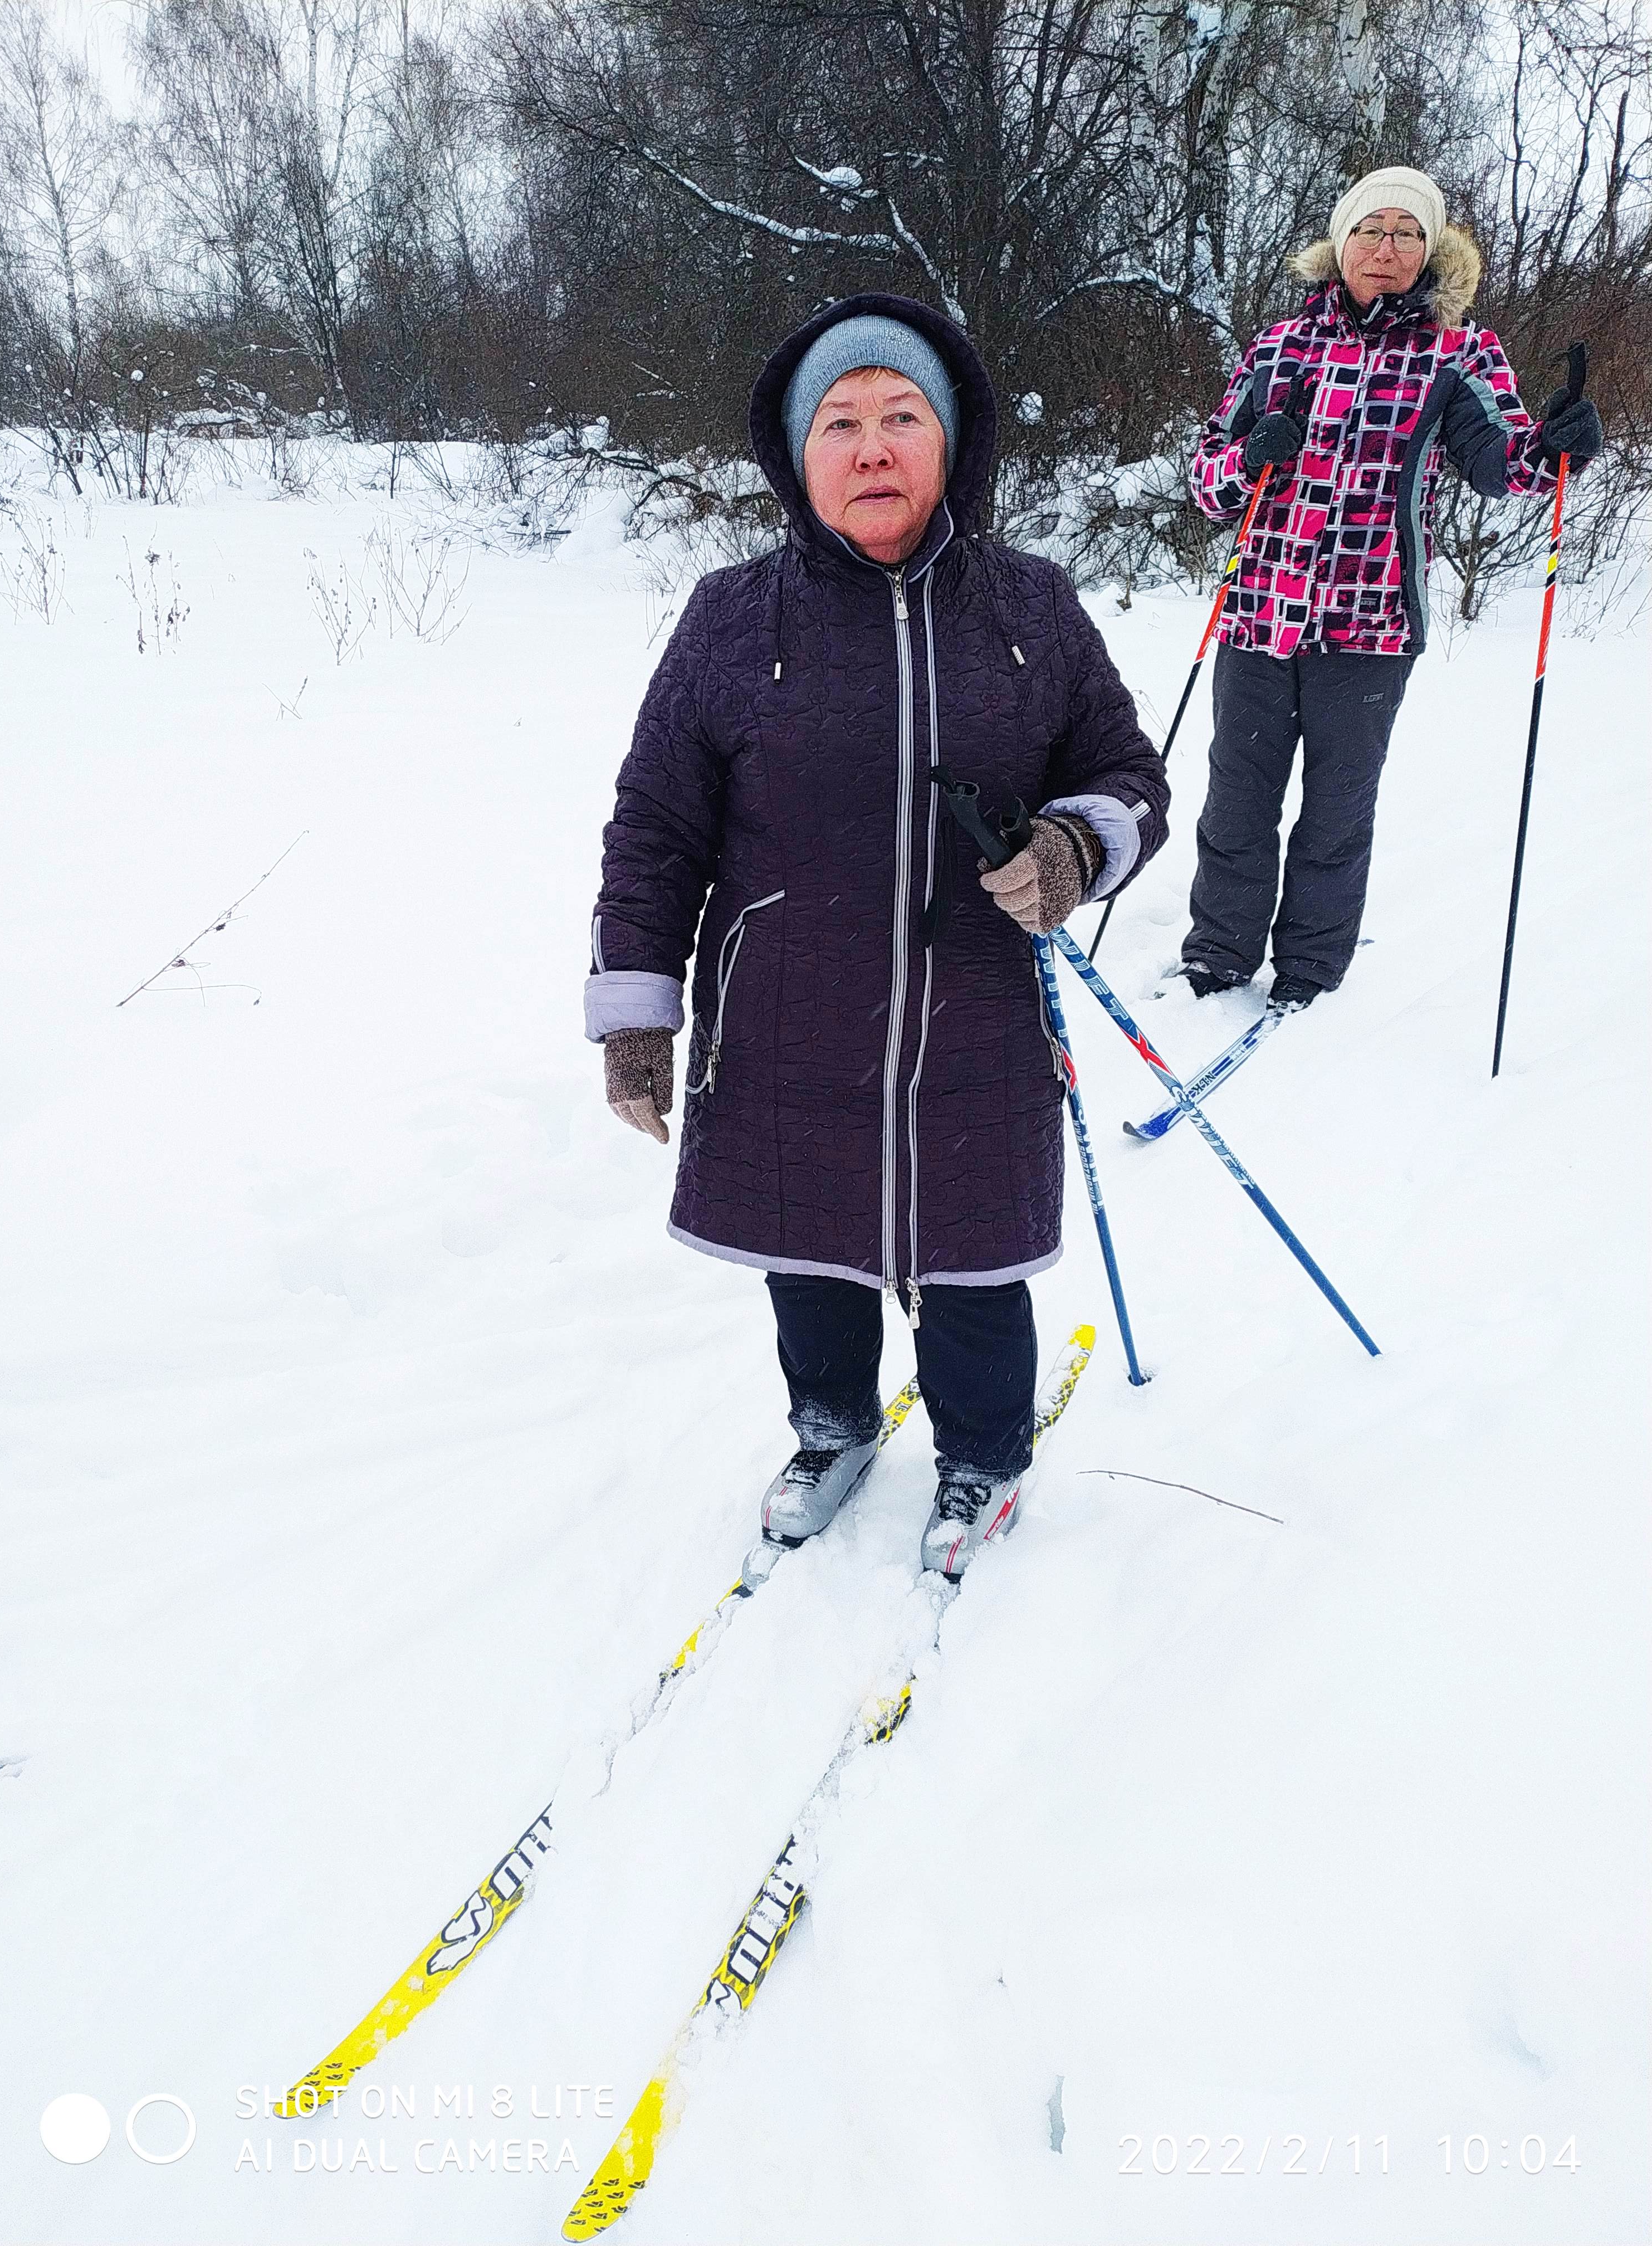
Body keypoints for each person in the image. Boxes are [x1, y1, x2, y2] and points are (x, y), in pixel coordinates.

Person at [585, 293, 1170, 1578]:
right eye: (839, 422)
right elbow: (657, 823)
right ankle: (834, 1427)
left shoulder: (1032, 606)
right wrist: (637, 1014)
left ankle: (983, 1450)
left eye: (902, 416)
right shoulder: (734, 618)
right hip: (791, 1008)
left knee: (973, 1262)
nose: (871, 446)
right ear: (798, 458)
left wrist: (1076, 846)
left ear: (950, 441)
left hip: (977, 1007)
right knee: (809, 1249)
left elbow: (1130, 774)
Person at [1181, 164, 1604, 1011]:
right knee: (1237, 800)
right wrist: (1247, 458)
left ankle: (1309, 968)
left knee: (1338, 812)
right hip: (1260, 614)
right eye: (1371, 230)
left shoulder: (1459, 351)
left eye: (1408, 233)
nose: (1387, 247)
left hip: (1371, 626)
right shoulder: (1278, 346)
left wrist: (1557, 447)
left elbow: (1501, 460)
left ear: (1429, 252)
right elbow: (1206, 477)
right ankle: (1218, 957)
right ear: (1341, 246)